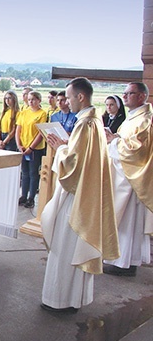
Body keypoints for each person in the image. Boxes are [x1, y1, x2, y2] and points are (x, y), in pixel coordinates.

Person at [41, 77, 119, 313]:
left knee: (64, 246)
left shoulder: (85, 125)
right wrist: (67, 144)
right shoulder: (94, 121)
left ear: (81, 97)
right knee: (72, 247)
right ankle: (75, 298)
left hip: (76, 197)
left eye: (69, 97)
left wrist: (60, 148)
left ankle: (60, 300)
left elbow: (73, 165)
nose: (66, 101)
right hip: (86, 193)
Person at [103, 82, 153, 276]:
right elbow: (125, 141)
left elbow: (137, 151)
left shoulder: (145, 120)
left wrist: (113, 141)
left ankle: (124, 263)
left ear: (141, 96)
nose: (124, 97)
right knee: (124, 223)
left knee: (127, 223)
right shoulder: (133, 118)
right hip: (125, 176)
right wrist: (114, 136)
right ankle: (124, 261)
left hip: (132, 180)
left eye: (129, 93)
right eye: (124, 93)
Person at [16, 90, 47, 209]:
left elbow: (40, 133)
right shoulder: (24, 113)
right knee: (24, 173)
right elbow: (18, 129)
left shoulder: (42, 114)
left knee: (33, 173)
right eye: (29, 99)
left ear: (39, 100)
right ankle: (23, 195)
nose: (31, 102)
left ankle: (31, 197)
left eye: (33, 99)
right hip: (23, 146)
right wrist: (19, 145)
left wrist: (31, 147)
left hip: (35, 148)